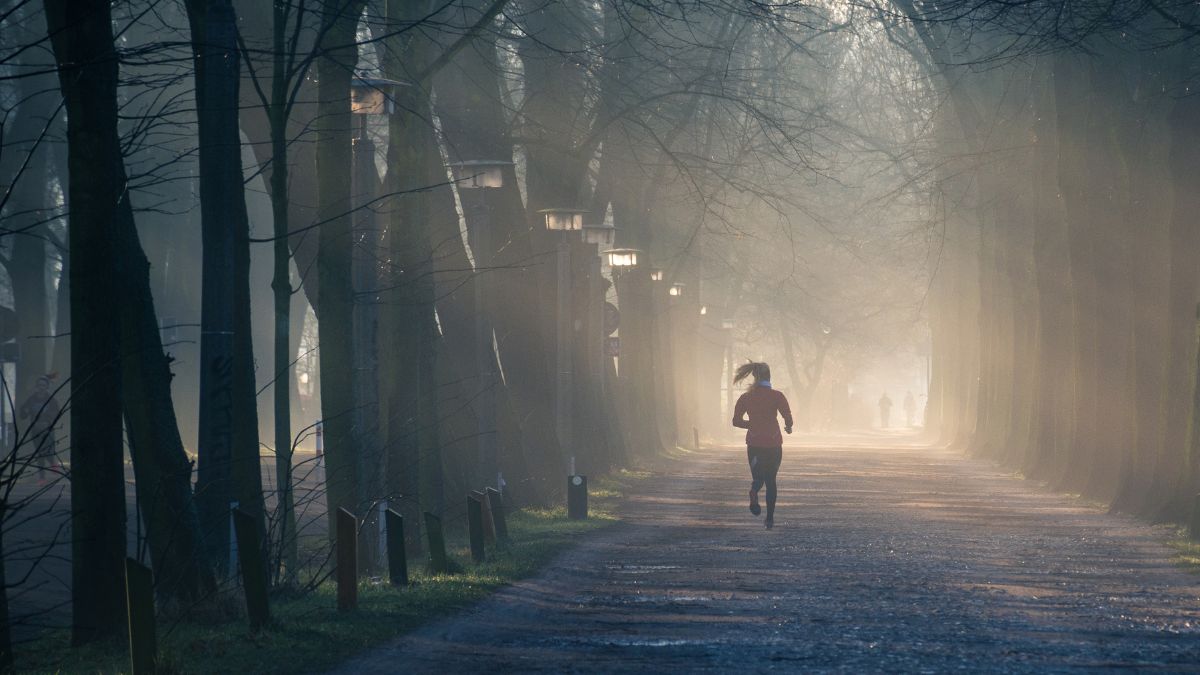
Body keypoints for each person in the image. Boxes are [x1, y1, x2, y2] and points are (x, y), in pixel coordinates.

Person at [731, 362, 792, 529]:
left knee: (758, 478)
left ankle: (754, 491)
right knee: (771, 480)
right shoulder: (777, 396)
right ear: (769, 376)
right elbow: (787, 416)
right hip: (773, 443)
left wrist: (751, 425)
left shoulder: (745, 398)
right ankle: (769, 519)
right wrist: (789, 427)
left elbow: (736, 421)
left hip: (754, 442)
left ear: (754, 377)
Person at [19, 374, 61, 482]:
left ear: (47, 387)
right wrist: (24, 411)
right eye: (39, 385)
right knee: (39, 453)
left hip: (47, 429)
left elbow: (56, 413)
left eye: (43, 385)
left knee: (48, 451)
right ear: (36, 386)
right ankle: (42, 477)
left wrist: (48, 422)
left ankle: (52, 463)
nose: (41, 387)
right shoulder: (31, 399)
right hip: (35, 430)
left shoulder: (51, 399)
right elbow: (23, 415)